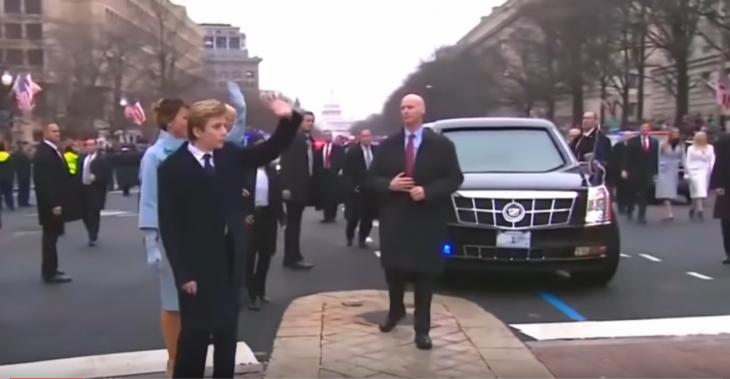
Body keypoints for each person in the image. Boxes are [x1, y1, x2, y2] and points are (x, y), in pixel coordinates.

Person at [158, 96, 299, 378]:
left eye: (225, 125)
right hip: (197, 266)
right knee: (195, 336)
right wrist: (183, 274)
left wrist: (287, 119)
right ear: (198, 131)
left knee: (226, 334)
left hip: (231, 258)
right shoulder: (172, 168)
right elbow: (170, 226)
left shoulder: (231, 155)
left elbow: (271, 149)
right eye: (218, 126)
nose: (225, 131)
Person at [368, 94, 463, 350]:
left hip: (427, 218)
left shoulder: (442, 145)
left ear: (422, 110)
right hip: (395, 216)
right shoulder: (388, 145)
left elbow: (454, 178)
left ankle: (422, 329)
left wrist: (428, 191)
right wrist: (390, 184)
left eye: (410, 107)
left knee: (425, 274)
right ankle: (395, 310)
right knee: (394, 270)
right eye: (402, 108)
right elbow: (370, 178)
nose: (405, 111)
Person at [139, 98, 191, 375]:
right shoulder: (155, 155)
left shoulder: (192, 150)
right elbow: (149, 202)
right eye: (185, 117)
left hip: (195, 236)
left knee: (194, 304)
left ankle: (188, 358)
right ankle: (175, 362)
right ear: (170, 121)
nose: (189, 122)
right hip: (169, 238)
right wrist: (151, 243)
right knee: (173, 303)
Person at [244, 133, 286, 310]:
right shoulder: (244, 169)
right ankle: (250, 294)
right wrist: (242, 213)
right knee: (248, 257)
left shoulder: (271, 170)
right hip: (250, 217)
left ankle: (260, 289)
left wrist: (282, 218)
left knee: (266, 256)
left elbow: (276, 195)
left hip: (268, 216)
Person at [33, 124, 79, 284]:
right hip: (50, 204)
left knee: (52, 236)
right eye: (54, 131)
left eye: (58, 131)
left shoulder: (52, 150)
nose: (57, 133)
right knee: (50, 237)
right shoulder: (45, 153)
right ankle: (49, 272)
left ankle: (52, 268)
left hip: (55, 201)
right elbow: (45, 182)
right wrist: (54, 203)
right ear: (45, 133)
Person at [279, 111, 316, 270]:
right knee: (293, 225)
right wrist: (286, 187)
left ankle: (295, 254)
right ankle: (291, 257)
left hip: (301, 187)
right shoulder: (295, 139)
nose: (310, 123)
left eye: (312, 121)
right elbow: (287, 163)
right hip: (293, 188)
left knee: (296, 224)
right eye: (307, 120)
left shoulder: (306, 139)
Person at [343, 129, 377, 248]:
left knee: (368, 217)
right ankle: (350, 236)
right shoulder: (352, 152)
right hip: (357, 189)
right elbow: (346, 171)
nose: (367, 138)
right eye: (364, 136)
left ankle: (362, 239)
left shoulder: (376, 150)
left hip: (372, 189)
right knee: (353, 217)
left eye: (368, 136)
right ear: (360, 138)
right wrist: (351, 187)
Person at [621, 123, 659, 224]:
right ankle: (630, 209)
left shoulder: (654, 142)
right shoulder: (633, 141)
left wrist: (655, 172)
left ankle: (642, 216)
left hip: (647, 172)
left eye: (647, 129)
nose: (645, 130)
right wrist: (624, 169)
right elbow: (627, 156)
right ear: (640, 130)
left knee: (644, 194)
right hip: (633, 171)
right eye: (643, 129)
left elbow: (655, 158)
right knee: (632, 193)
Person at [79, 139, 109, 246]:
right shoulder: (83, 158)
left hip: (96, 189)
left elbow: (106, 174)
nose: (90, 147)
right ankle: (90, 229)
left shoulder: (101, 159)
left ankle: (93, 235)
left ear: (96, 146)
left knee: (94, 212)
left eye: (92, 145)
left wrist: (96, 178)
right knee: (83, 213)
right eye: (87, 145)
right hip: (83, 188)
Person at [655, 128, 685, 221]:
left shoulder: (680, 145)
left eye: (677, 133)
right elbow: (657, 156)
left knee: (671, 190)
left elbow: (683, 158)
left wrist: (686, 170)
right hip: (664, 168)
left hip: (674, 169)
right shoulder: (663, 144)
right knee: (664, 190)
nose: (676, 134)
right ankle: (669, 212)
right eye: (674, 133)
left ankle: (668, 211)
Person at [317, 130, 345, 223]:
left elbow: (342, 160)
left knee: (333, 195)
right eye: (325, 136)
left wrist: (340, 170)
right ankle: (326, 216)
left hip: (334, 174)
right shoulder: (320, 149)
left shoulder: (338, 149)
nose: (327, 137)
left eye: (329, 135)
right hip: (324, 174)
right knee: (325, 195)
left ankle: (332, 215)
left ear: (331, 137)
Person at [710, 132, 730, 264]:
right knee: (727, 221)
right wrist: (717, 184)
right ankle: (729, 252)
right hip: (726, 185)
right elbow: (719, 163)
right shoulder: (724, 141)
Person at [686, 131, 715, 219]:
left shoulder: (709, 148)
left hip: (704, 170)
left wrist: (712, 170)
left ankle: (692, 207)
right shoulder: (691, 148)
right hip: (693, 170)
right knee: (696, 189)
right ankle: (700, 209)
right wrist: (687, 172)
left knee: (700, 189)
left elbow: (712, 159)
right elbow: (688, 160)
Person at [609, 131, 633, 213]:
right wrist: (620, 170)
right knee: (620, 189)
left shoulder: (634, 146)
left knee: (629, 190)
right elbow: (614, 159)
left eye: (630, 136)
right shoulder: (618, 146)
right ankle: (621, 207)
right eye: (626, 136)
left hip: (631, 171)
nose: (628, 137)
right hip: (618, 171)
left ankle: (629, 206)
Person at [12, 142, 32, 207]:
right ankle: (24, 201)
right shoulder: (22, 154)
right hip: (24, 172)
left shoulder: (15, 154)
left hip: (20, 172)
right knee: (25, 187)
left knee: (22, 187)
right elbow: (28, 160)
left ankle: (22, 201)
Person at [0, 142, 13, 211]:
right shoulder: (7, 155)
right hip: (7, 176)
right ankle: (10, 204)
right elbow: (12, 165)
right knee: (8, 191)